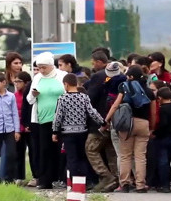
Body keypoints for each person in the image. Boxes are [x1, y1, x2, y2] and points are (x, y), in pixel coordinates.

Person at [103, 65, 156, 193]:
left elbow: (116, 105)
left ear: (131, 77)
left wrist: (106, 120)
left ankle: (125, 183)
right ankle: (140, 185)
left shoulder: (124, 87)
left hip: (127, 124)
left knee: (125, 155)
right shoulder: (148, 91)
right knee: (140, 156)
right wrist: (152, 128)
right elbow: (153, 112)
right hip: (143, 124)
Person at [26, 52, 67, 189]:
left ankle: (61, 178)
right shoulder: (37, 78)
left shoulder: (62, 76)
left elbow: (68, 93)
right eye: (39, 68)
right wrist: (33, 94)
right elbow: (29, 100)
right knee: (45, 149)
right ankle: (45, 180)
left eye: (44, 67)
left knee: (60, 149)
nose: (41, 70)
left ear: (51, 66)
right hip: (42, 120)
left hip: (61, 119)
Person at [52, 73, 104, 180]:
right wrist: (103, 122)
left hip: (67, 133)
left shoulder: (62, 98)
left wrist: (55, 131)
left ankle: (74, 182)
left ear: (66, 84)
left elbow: (58, 116)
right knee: (82, 157)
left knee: (72, 158)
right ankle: (85, 181)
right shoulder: (84, 97)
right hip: (82, 132)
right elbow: (92, 112)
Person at [84, 56, 119, 193]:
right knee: (111, 151)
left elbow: (90, 99)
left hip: (99, 121)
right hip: (116, 121)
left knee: (91, 149)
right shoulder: (119, 77)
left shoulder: (98, 77)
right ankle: (117, 178)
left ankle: (106, 177)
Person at [151, 87, 171, 193]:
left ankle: (164, 184)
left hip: (163, 138)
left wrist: (155, 133)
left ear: (160, 98)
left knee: (163, 162)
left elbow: (163, 124)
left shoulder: (162, 110)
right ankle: (169, 182)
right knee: (168, 159)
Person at [14, 71, 34, 184]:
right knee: (18, 152)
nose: (16, 83)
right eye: (15, 81)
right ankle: (19, 176)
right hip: (18, 128)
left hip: (29, 128)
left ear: (26, 82)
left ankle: (35, 175)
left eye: (19, 81)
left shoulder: (30, 95)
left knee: (33, 152)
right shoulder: (14, 96)